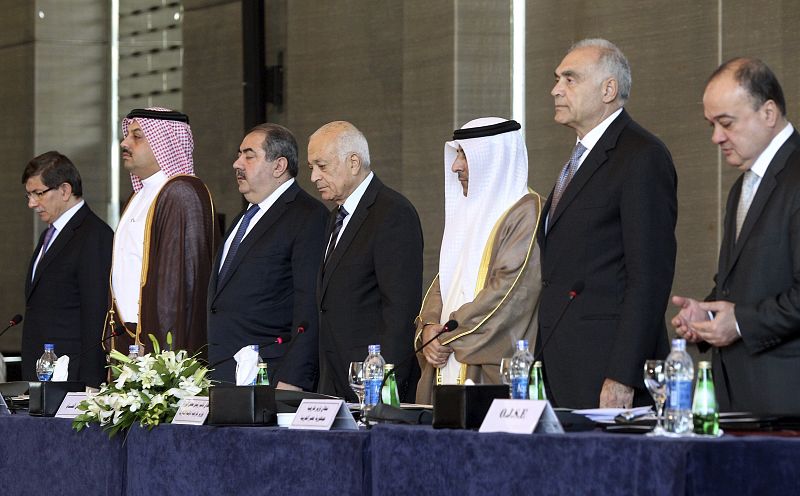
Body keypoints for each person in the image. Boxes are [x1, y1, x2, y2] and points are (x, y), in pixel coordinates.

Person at [538, 39, 677, 409]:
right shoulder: (580, 158)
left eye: (570, 79)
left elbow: (649, 278)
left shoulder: (641, 156)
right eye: (557, 79)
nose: (556, 89)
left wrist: (622, 375)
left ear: (608, 89)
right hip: (559, 365)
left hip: (607, 370)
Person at [671, 58, 800, 413]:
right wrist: (708, 316)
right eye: (711, 124)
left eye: (726, 123)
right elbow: (743, 284)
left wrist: (740, 322)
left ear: (768, 113)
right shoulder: (743, 185)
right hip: (740, 401)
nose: (716, 137)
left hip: (786, 403)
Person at [414, 118, 542, 404]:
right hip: (445, 362)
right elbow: (446, 279)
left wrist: (446, 334)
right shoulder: (469, 211)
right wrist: (429, 327)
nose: (455, 166)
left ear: (494, 159)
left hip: (489, 373)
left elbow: (508, 296)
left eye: (465, 155)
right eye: (457, 154)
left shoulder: (526, 213)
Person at [308, 121, 423, 402]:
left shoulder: (392, 213)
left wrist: (382, 386)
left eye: (321, 166)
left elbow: (400, 311)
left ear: (353, 162)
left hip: (373, 386)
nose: (313, 177)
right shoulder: (336, 217)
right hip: (333, 381)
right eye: (311, 167)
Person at [207, 123, 327, 389]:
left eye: (249, 156)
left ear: (279, 166)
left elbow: (309, 304)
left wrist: (294, 378)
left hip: (270, 376)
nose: (237, 163)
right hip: (225, 372)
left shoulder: (307, 216)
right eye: (239, 155)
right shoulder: (245, 217)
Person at [108, 108, 215, 356]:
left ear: (164, 142)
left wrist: (165, 350)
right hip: (127, 335)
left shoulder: (181, 192)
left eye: (137, 136)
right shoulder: (138, 196)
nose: (125, 143)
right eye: (127, 135)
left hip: (160, 343)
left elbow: (178, 285)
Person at [21, 151, 113, 387]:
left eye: (38, 193)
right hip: (43, 373)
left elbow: (96, 314)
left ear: (64, 190)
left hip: (72, 378)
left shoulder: (94, 235)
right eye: (29, 195)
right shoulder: (49, 234)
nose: (32, 203)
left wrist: (90, 384)